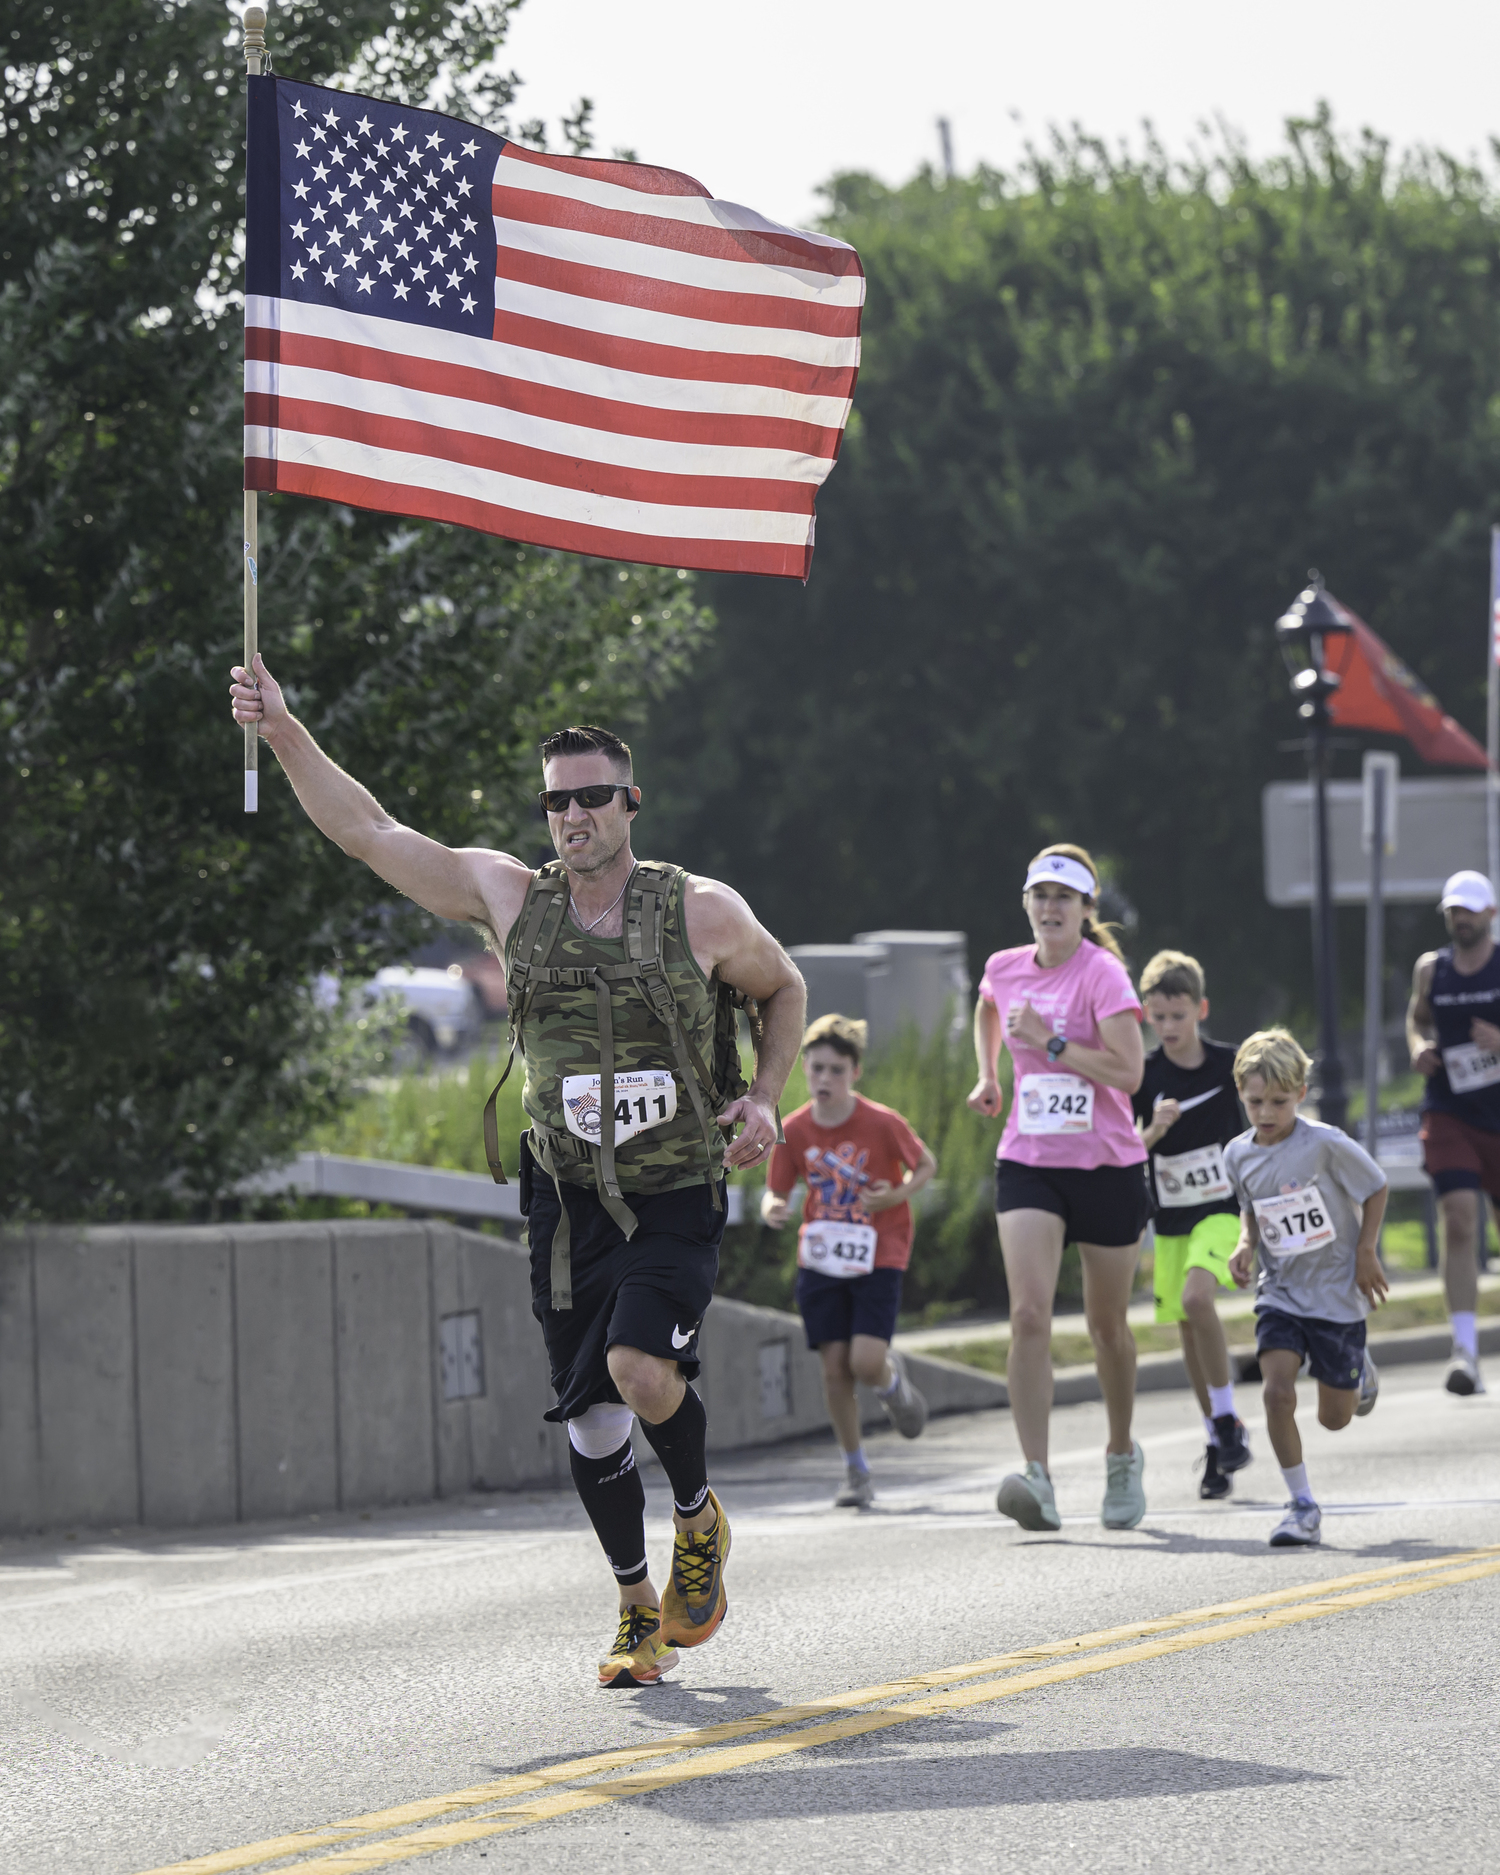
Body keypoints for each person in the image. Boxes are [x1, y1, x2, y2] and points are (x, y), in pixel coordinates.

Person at [229, 658, 805, 1689]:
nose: (574, 814)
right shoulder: (509, 897)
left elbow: (786, 986)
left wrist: (763, 1097)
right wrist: (283, 731)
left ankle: (696, 1516)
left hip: (673, 1184)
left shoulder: (703, 912)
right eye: (557, 800)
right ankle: (636, 1607)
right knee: (589, 1417)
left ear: (630, 803)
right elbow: (372, 834)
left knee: (641, 1373)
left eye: (593, 796)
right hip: (563, 1191)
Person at [967, 844, 1151, 1533]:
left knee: (1107, 1326)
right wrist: (989, 1074)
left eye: (1064, 898)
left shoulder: (1102, 974)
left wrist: (1047, 1045)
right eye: (1040, 895)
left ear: (1085, 910)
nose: (1050, 907)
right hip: (1030, 1159)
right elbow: (989, 1007)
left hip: (1106, 1164)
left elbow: (1129, 1072)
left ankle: (1122, 1453)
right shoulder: (1005, 966)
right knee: (1029, 1315)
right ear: (1027, 903)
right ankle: (1037, 1475)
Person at [761, 1014, 938, 1508]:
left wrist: (898, 1193)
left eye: (835, 1070)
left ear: (855, 1072)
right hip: (821, 1258)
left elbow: (927, 1164)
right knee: (835, 1370)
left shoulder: (881, 1122)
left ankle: (892, 1382)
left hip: (880, 1250)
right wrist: (773, 1207)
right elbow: (776, 1189)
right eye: (815, 1068)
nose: (824, 1079)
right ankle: (856, 1470)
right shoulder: (792, 1128)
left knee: (864, 1362)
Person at [1225, 1029, 1388, 1548]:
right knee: (1276, 1393)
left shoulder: (1324, 1143)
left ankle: (1358, 1368)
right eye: (1255, 1102)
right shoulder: (1237, 1155)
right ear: (1241, 1095)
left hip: (1337, 1293)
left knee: (1334, 1419)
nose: (1266, 1112)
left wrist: (1365, 1253)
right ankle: (1301, 1505)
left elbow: (1377, 1186)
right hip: (1282, 1292)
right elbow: (1250, 1209)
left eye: (1278, 1101)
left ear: (1300, 1092)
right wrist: (1244, 1244)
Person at [1133, 951, 1251, 1501]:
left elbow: (1263, 1124)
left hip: (1222, 1212)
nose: (1169, 1028)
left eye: (1178, 1016)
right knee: (1186, 1327)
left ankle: (1227, 1421)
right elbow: (1124, 1149)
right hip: (1171, 1219)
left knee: (1198, 1301)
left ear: (1200, 1009)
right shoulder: (1145, 1076)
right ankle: (1218, 1441)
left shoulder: (1229, 1067)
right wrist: (1152, 1132)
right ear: (1145, 1016)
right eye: (1158, 1017)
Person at [1406, 868, 1500, 1396]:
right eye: (1451, 911)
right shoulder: (1431, 970)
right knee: (1459, 1220)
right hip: (1449, 1109)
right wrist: (1417, 1045)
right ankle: (1464, 1350)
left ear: (1490, 914)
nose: (1458, 919)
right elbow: (1416, 1019)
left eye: (1468, 910)